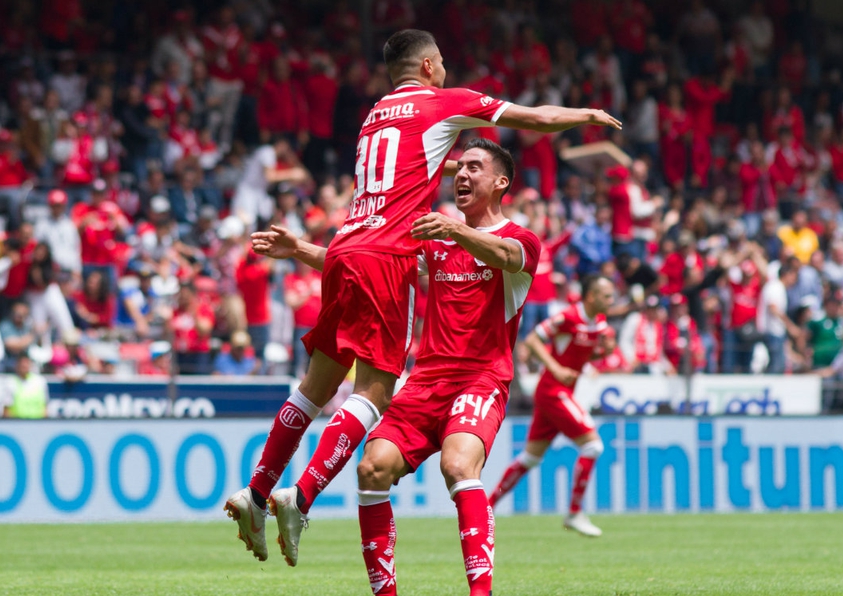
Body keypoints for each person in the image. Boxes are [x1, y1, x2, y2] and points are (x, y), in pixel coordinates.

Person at [223, 29, 619, 566]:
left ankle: (257, 491)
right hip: (388, 255)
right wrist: (587, 115)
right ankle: (303, 494)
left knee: (312, 390)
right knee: (373, 393)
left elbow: (414, 172)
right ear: (431, 65)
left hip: (345, 247)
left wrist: (301, 250)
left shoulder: (372, 118)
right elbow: (536, 119)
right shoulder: (444, 104)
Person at [249, 139, 539, 594]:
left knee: (459, 465)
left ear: (502, 182)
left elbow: (502, 257)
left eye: (475, 168)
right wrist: (299, 248)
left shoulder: (519, 240)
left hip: (480, 381)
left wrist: (451, 228)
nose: (462, 175)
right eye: (459, 167)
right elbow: (369, 266)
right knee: (372, 468)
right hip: (424, 382)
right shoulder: (438, 240)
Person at [487, 274, 616, 537]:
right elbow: (533, 339)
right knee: (593, 445)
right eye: (606, 296)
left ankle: (486, 508)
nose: (611, 301)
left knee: (530, 458)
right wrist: (555, 368)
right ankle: (574, 513)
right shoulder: (569, 317)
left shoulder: (599, 322)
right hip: (552, 390)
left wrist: (604, 352)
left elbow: (583, 352)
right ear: (591, 297)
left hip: (560, 391)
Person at [2, 352, 49, 419]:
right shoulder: (10, 382)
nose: (24, 366)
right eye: (21, 363)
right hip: (17, 425)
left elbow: (45, 407)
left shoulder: (40, 381)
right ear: (17, 365)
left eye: (26, 363)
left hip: (38, 424)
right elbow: (6, 410)